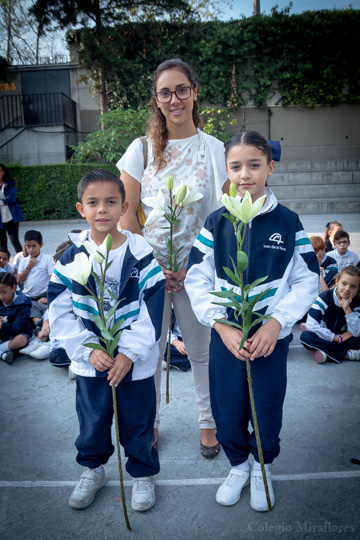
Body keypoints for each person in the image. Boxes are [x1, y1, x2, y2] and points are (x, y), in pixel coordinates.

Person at [185, 131, 319, 511]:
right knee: (227, 406)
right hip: (227, 339)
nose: (245, 174)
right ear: (226, 171)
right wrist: (221, 324)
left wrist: (277, 323)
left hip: (268, 341)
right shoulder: (217, 221)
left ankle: (262, 467)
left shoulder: (287, 221)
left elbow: (307, 278)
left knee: (266, 406)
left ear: (270, 168)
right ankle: (239, 466)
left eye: (254, 165)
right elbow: (197, 277)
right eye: (236, 166)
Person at [117, 58, 229, 457]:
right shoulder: (142, 149)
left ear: (194, 92)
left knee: (201, 350)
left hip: (197, 269)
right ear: (157, 100)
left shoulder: (215, 150)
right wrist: (154, 265)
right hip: (152, 269)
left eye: (182, 89)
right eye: (165, 92)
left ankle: (208, 422)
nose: (174, 99)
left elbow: (220, 217)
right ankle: (151, 424)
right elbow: (127, 213)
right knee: (149, 349)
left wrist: (191, 265)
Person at [48, 170, 165, 512]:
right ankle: (92, 470)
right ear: (80, 208)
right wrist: (89, 348)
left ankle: (142, 475)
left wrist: (128, 352)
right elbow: (59, 309)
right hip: (92, 361)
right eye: (93, 203)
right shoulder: (72, 257)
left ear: (124, 206)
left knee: (138, 421)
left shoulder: (140, 254)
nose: (102, 210)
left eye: (111, 202)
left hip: (135, 362)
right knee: (93, 421)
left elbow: (152, 306)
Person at [300, 266, 360, 363]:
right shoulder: (325, 297)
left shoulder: (357, 303)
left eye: (353, 286)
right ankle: (346, 354)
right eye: (344, 284)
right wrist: (335, 338)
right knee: (306, 337)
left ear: (358, 289)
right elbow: (312, 325)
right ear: (337, 282)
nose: (347, 289)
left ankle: (324, 350)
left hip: (344, 335)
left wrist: (347, 309)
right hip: (327, 333)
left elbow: (357, 332)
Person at [16, 230, 54, 325]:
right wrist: (29, 267)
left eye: (34, 246)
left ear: (41, 245)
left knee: (38, 307)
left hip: (42, 296)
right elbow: (19, 280)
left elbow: (53, 281)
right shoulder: (24, 262)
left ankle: (39, 325)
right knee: (26, 306)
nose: (31, 250)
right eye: (28, 246)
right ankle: (38, 325)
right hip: (27, 296)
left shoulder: (47, 260)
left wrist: (48, 298)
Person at [0, 272, 32, 364]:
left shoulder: (23, 302)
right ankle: (4, 354)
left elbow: (18, 327)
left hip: (18, 333)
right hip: (2, 334)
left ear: (13, 288)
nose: (1, 296)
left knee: (21, 340)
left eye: (4, 292)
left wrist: (3, 326)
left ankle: (3, 350)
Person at [0, 164, 24, 254]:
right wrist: (4, 201)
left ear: (3, 172)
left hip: (11, 217)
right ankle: (3, 265)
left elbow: (11, 199)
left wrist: (4, 201)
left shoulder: (10, 185)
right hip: (0, 219)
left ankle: (22, 262)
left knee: (14, 241)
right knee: (2, 244)